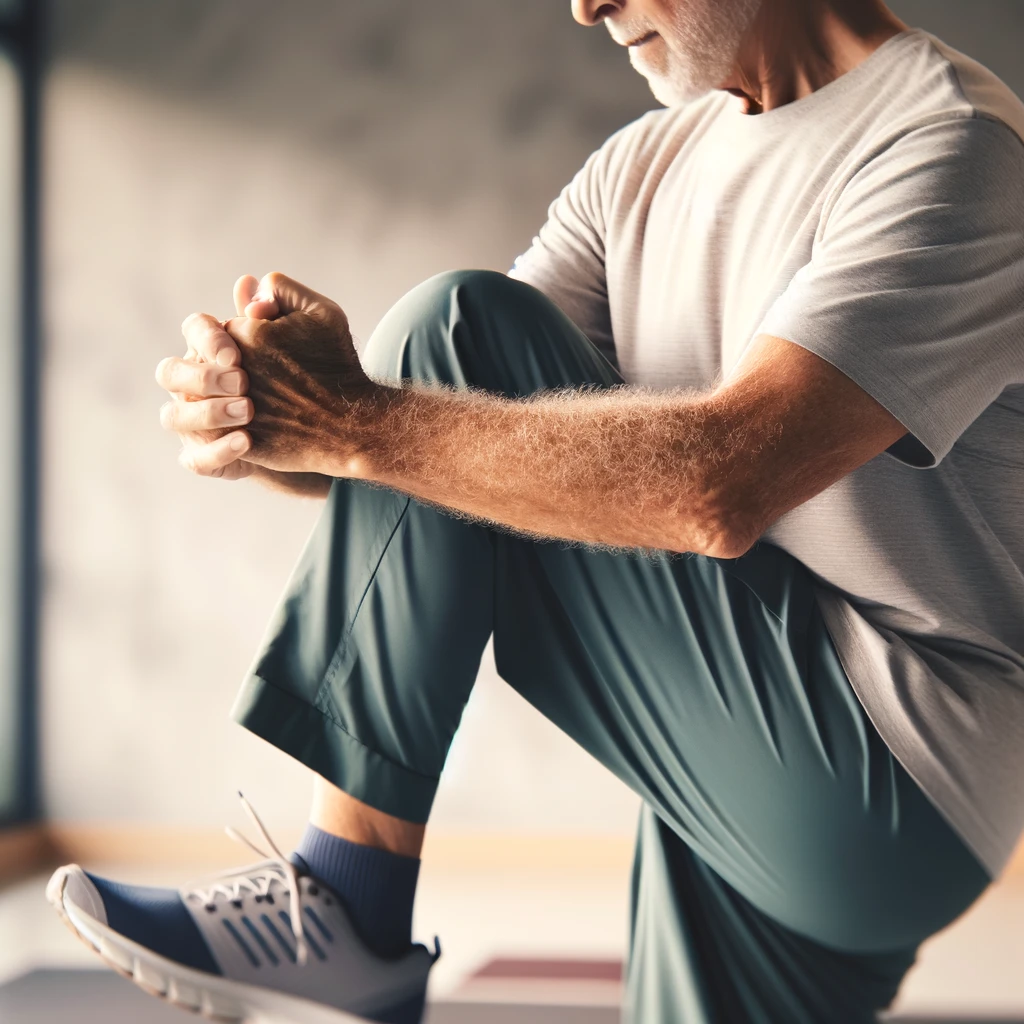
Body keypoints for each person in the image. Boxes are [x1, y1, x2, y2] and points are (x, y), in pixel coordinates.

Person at [47, 0, 1024, 1021]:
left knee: (453, 325)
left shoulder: (951, 147)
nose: (584, 4)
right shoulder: (638, 167)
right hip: (747, 740)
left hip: (884, 770)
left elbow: (717, 483)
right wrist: (279, 429)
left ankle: (346, 899)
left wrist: (348, 417)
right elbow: (467, 463)